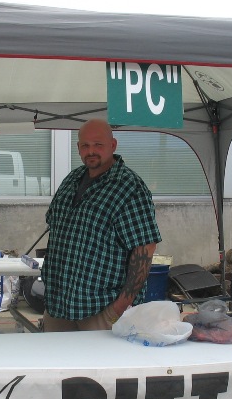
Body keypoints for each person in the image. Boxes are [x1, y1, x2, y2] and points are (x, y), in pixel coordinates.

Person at [41, 118, 162, 331]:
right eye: (85, 145)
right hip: (59, 306)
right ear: (78, 148)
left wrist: (118, 308)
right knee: (53, 354)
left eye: (98, 145)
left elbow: (145, 249)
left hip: (101, 311)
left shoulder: (129, 187)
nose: (91, 151)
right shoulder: (72, 180)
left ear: (113, 145)